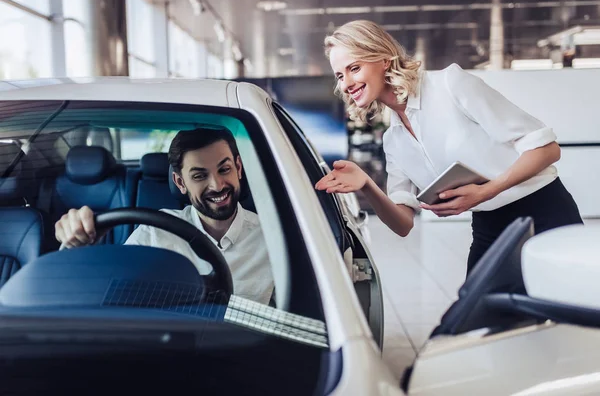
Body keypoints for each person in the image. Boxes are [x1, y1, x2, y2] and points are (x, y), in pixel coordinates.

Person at [315, 20, 583, 274]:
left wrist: (486, 191)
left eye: (354, 68)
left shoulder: (449, 84)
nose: (346, 84)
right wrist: (366, 185)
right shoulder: (394, 139)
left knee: (577, 307)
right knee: (477, 318)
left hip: (543, 210)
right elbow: (403, 223)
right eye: (339, 75)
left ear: (384, 60)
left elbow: (547, 149)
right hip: (489, 226)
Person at [55, 128, 274, 304]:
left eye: (224, 169)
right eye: (199, 175)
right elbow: (108, 288)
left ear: (238, 167)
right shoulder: (155, 232)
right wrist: (79, 245)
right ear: (180, 183)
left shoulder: (274, 240)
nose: (217, 185)